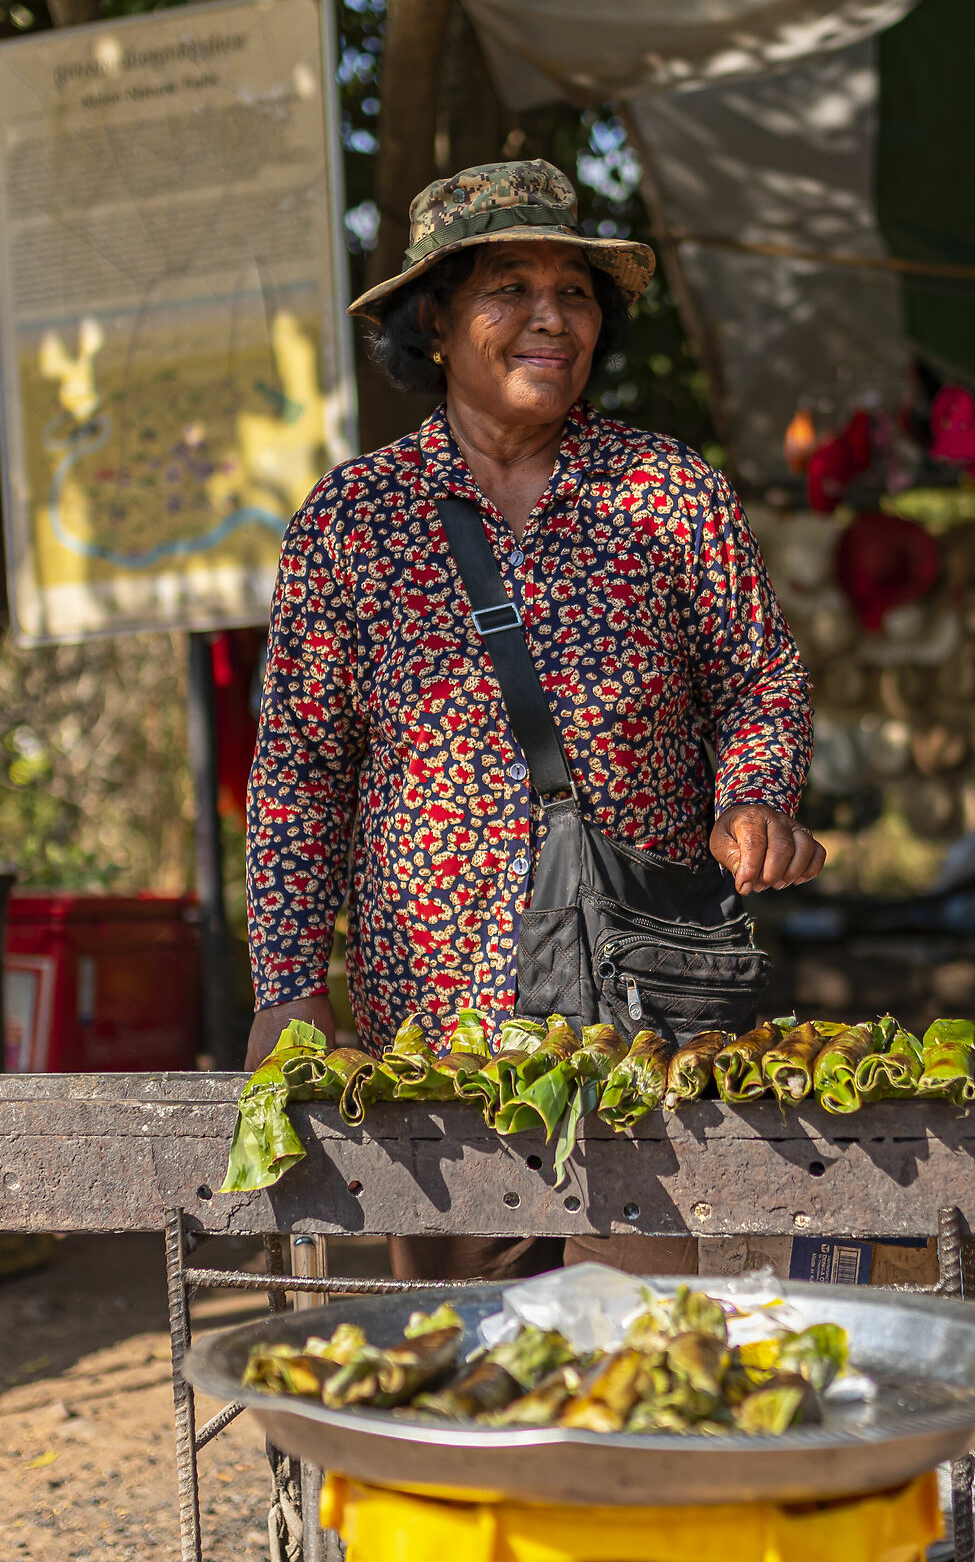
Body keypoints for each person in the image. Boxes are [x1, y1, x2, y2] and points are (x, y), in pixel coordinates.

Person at [242, 160, 826, 1281]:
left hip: (647, 1034)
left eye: (575, 292)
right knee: (473, 1359)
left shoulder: (666, 492)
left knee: (651, 1354)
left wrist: (755, 795)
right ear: (435, 322)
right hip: (437, 1041)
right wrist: (291, 984)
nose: (550, 317)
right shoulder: (354, 521)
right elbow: (300, 773)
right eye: (509, 288)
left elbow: (760, 677)